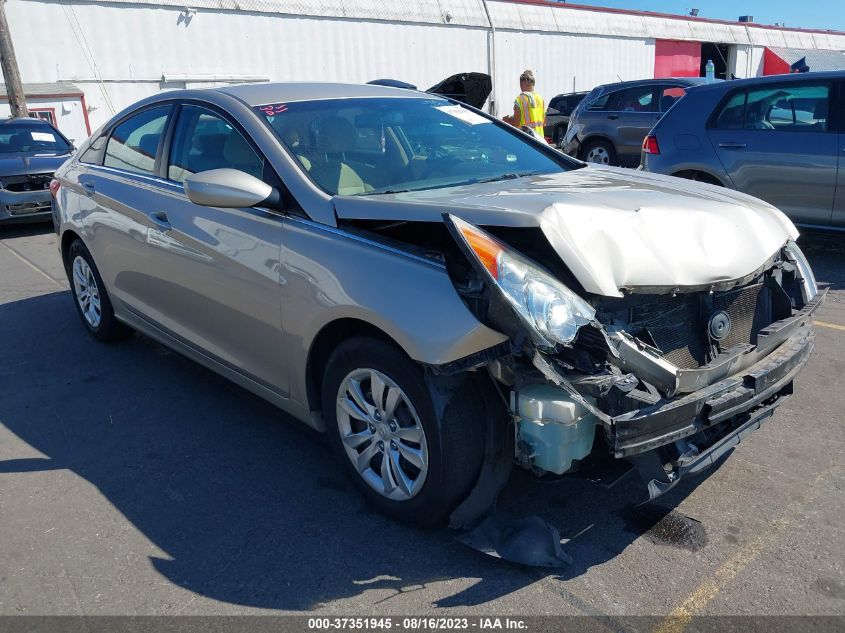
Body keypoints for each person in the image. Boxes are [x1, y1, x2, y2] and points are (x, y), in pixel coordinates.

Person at [503, 69, 546, 140]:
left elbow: (516, 123)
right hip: (540, 139)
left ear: (524, 83)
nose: (520, 86)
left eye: (521, 84)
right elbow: (544, 123)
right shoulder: (541, 99)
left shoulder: (520, 99)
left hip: (527, 139)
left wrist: (507, 119)